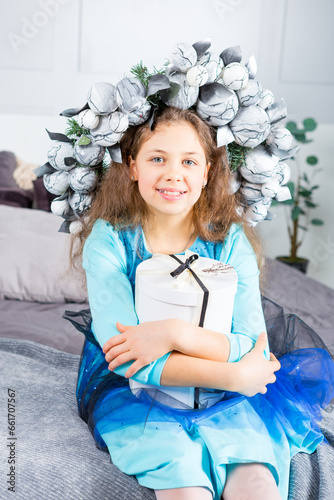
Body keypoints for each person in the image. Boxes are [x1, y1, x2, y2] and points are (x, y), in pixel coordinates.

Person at [63, 106, 334, 500]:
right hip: (140, 395)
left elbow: (252, 342)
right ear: (133, 166)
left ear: (207, 172)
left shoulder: (229, 241)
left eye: (189, 161)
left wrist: (171, 332)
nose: (174, 174)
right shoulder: (110, 240)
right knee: (183, 481)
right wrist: (235, 376)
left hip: (231, 398)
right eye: (157, 158)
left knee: (256, 482)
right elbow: (127, 358)